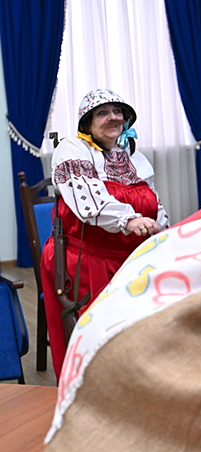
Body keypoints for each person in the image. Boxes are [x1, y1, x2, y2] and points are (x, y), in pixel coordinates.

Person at [40, 88, 168, 378]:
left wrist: (164, 232)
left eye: (117, 111)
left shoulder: (133, 156)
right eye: (102, 113)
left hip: (132, 256)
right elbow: (89, 204)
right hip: (85, 259)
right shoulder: (73, 149)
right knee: (106, 330)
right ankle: (102, 387)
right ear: (87, 123)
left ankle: (146, 382)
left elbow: (155, 204)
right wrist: (129, 220)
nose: (113, 117)